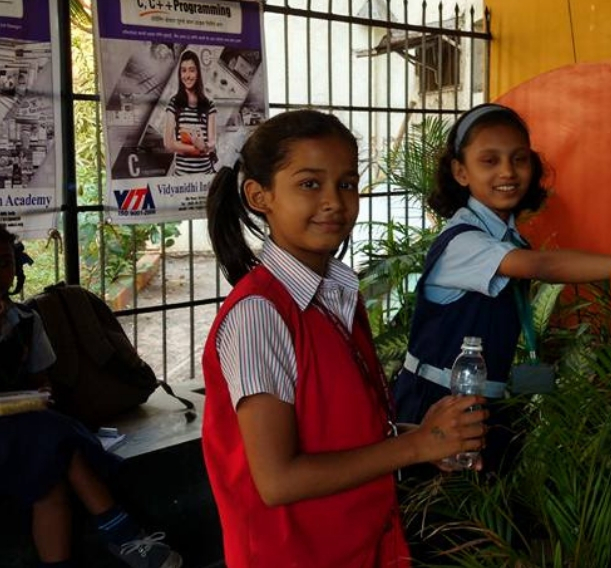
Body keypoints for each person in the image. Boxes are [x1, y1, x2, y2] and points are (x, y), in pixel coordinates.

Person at [202, 109, 487, 568]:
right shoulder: (260, 314)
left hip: (359, 542)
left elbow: (337, 432)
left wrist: (430, 438)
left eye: (348, 183)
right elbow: (277, 479)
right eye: (309, 184)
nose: (335, 201)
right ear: (260, 196)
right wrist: (415, 446)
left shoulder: (334, 293)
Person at [392, 103, 611, 471]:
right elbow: (543, 265)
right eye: (489, 161)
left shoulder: (505, 237)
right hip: (435, 410)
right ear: (460, 171)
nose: (507, 171)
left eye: (518, 159)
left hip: (483, 408)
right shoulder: (462, 244)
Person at [0, 226, 182, 568]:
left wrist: (38, 395)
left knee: (49, 470)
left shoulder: (25, 320)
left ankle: (114, 540)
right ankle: (123, 533)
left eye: (4, 263)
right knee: (55, 437)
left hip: (24, 433)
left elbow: (42, 382)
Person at [162, 50, 217, 175]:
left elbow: (213, 142)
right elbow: (168, 143)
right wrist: (199, 148)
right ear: (179, 74)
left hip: (205, 178)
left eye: (192, 70)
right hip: (182, 179)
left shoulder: (209, 105)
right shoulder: (174, 103)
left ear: (198, 73)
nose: (187, 75)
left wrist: (205, 146)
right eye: (183, 70)